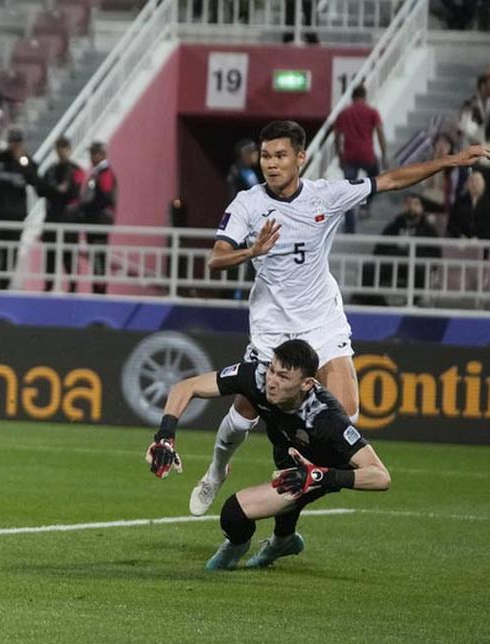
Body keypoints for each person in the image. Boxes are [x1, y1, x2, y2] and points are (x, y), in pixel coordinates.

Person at [195, 120, 490, 517]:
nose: (271, 164)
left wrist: (453, 159)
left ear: (301, 158)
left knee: (347, 415)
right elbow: (215, 258)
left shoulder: (325, 196)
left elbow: (391, 180)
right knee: (244, 415)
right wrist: (253, 251)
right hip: (272, 326)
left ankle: (303, 483)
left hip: (321, 320)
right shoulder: (248, 204)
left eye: (281, 155)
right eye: (266, 156)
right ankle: (216, 470)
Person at [146, 339, 390, 570]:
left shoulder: (327, 419)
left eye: (283, 376)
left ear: (307, 384)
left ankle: (248, 545)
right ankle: (275, 542)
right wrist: (165, 435)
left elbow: (380, 476)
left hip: (319, 471)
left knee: (233, 513)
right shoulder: (257, 376)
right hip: (289, 451)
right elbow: (186, 387)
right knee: (282, 481)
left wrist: (321, 477)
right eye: (272, 370)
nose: (272, 381)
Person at [0, 128, 42, 289]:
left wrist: (23, 162)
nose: (15, 145)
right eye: (13, 142)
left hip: (15, 216)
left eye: (18, 142)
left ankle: (3, 285)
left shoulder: (26, 161)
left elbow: (36, 182)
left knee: (10, 252)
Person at [333, 85, 388, 233]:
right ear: (365, 96)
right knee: (376, 179)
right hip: (367, 154)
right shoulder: (372, 112)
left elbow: (337, 137)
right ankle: (365, 206)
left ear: (352, 97)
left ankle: (350, 228)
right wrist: (384, 155)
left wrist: (339, 156)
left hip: (349, 156)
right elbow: (380, 134)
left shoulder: (344, 113)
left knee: (349, 193)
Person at [41, 138, 86, 292]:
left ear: (70, 149)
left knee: (69, 257)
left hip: (69, 221)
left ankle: (73, 288)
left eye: (64, 148)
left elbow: (74, 192)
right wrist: (57, 190)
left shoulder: (76, 170)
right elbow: (43, 190)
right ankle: (48, 287)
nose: (61, 151)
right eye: (59, 148)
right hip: (52, 219)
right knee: (50, 258)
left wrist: (58, 191)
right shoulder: (51, 170)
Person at [79, 141, 117, 294]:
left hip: (99, 221)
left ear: (101, 155)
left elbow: (105, 196)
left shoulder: (105, 173)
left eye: (93, 153)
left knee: (98, 255)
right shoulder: (97, 173)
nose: (91, 157)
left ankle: (100, 289)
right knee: (95, 256)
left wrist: (88, 208)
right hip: (94, 221)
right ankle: (97, 287)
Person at [447, 170, 490, 240]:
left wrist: (479, 238)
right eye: (472, 181)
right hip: (461, 244)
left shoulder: (488, 203)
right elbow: (451, 225)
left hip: (485, 244)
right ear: (467, 184)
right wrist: (460, 236)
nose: (474, 184)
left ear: (483, 184)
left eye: (477, 181)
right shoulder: (459, 202)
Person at [458, 73, 490, 147]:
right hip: (471, 144)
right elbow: (464, 125)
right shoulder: (470, 103)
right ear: (482, 86)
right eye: (488, 85)